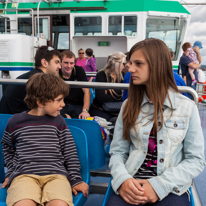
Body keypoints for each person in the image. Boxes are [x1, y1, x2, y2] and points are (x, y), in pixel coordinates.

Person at [106, 38, 205, 206]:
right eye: (130, 63)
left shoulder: (186, 108)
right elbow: (118, 152)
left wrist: (160, 185)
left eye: (138, 63)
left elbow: (195, 160)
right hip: (132, 181)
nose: (130, 68)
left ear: (158, 65)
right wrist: (123, 180)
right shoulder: (128, 106)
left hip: (170, 186)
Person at [1, 73, 89, 206]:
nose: (63, 104)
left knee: (59, 204)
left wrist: (75, 179)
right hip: (24, 176)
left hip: (56, 176)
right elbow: (7, 146)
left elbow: (69, 152)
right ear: (41, 102)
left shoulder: (59, 121)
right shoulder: (15, 121)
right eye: (59, 100)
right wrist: (11, 172)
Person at [0, 46, 61, 114]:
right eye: (56, 62)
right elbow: (46, 107)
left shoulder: (30, 76)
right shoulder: (41, 81)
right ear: (44, 62)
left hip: (5, 118)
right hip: (17, 120)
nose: (59, 67)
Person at [89, 52, 126, 121]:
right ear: (117, 64)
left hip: (117, 108)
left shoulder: (122, 75)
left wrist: (108, 91)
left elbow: (125, 95)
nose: (125, 66)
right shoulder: (101, 74)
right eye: (123, 64)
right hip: (100, 108)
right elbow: (101, 97)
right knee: (108, 121)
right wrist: (119, 93)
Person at [59, 50, 91, 119]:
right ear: (60, 63)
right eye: (66, 63)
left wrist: (85, 110)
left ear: (74, 63)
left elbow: (87, 91)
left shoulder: (79, 71)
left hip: (77, 105)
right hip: (61, 105)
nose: (69, 66)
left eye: (71, 63)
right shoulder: (57, 72)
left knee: (82, 120)